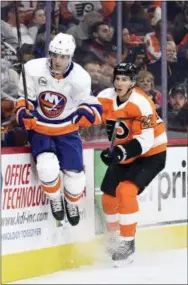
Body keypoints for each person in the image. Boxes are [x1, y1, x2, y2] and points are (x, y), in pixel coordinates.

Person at [15, 33, 102, 226]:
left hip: (67, 130)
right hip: (40, 128)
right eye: (54, 55)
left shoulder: (80, 77)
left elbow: (90, 104)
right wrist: (23, 112)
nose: (57, 60)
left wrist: (87, 113)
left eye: (62, 56)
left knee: (75, 177)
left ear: (70, 57)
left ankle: (72, 203)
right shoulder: (32, 68)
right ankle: (55, 199)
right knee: (47, 166)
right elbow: (24, 98)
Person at [97, 63, 167, 267]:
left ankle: (128, 243)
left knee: (125, 190)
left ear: (133, 82)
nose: (120, 83)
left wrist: (119, 153)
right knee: (108, 196)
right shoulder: (105, 97)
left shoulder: (143, 103)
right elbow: (88, 113)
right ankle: (112, 236)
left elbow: (145, 141)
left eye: (125, 79)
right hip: (125, 154)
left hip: (152, 153)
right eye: (118, 78)